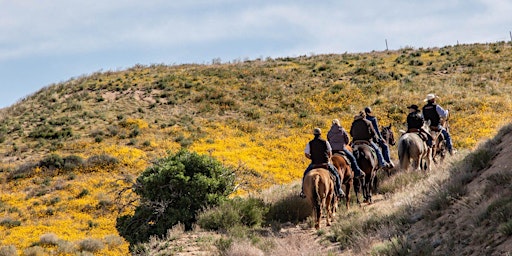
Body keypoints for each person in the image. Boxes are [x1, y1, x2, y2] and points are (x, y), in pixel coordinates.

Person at [300, 128, 345, 199]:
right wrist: (328, 159)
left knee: (305, 174)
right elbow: (330, 152)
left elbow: (306, 154)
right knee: (336, 174)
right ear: (320, 134)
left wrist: (312, 158)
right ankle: (339, 190)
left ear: (314, 134)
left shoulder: (310, 143)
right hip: (325, 163)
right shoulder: (325, 142)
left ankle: (303, 191)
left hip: (314, 164)